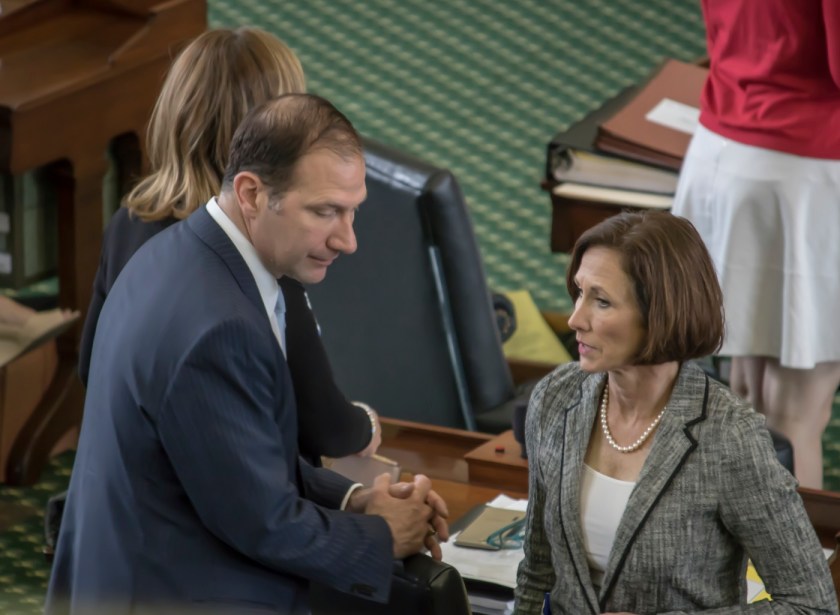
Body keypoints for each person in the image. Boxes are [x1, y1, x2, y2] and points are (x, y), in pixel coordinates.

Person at [46, 94, 450, 615]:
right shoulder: (219, 328)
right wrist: (384, 535)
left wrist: (354, 499)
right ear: (252, 193)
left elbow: (235, 456)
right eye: (325, 211)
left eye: (353, 211)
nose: (347, 240)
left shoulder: (177, 253)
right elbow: (264, 524)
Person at [78, 26, 380, 461]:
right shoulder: (257, 253)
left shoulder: (128, 222)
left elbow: (91, 366)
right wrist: (366, 424)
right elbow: (325, 430)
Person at [514, 211, 836, 614]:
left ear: (660, 314)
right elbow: (537, 572)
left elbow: (812, 605)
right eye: (579, 292)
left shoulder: (728, 436)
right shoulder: (555, 397)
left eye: (602, 301)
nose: (575, 319)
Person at [671, 0, 840, 489]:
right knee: (796, 414)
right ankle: (791, 544)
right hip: (802, 172)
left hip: (720, 149)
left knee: (748, 394)